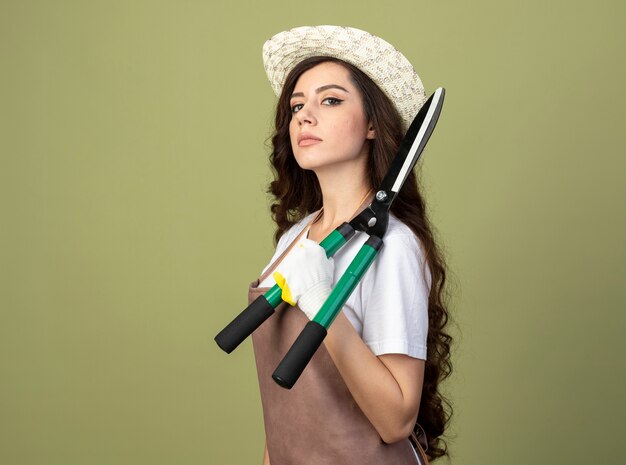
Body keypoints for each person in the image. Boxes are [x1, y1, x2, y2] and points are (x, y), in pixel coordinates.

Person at [249, 26, 452, 465]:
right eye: (297, 105)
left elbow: (396, 420)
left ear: (374, 125)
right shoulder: (293, 239)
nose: (304, 115)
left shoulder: (394, 246)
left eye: (331, 100)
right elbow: (283, 408)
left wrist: (324, 304)